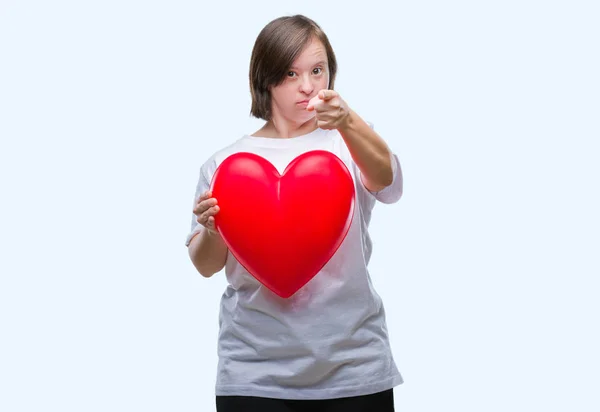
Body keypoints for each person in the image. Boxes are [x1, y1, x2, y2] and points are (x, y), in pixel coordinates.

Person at [186, 14, 404, 412]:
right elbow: (205, 266)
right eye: (291, 73)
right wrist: (212, 229)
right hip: (253, 373)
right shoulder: (226, 163)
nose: (308, 86)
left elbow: (387, 183)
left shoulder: (349, 140)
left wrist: (348, 121)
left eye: (318, 71)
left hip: (354, 367)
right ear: (266, 78)